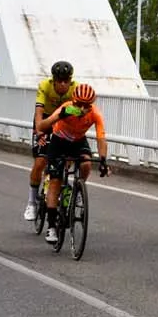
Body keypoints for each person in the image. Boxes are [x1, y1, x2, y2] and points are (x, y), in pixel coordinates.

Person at [35, 83, 108, 244]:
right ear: (73, 101)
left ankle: (78, 190)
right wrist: (59, 116)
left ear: (91, 105)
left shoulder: (95, 114)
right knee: (55, 181)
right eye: (79, 104)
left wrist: (103, 160)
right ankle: (51, 226)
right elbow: (41, 126)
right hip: (59, 141)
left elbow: (101, 138)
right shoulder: (66, 108)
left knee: (86, 163)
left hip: (77, 141)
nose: (82, 108)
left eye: (86, 105)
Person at [24, 60, 76, 222]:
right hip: (46, 120)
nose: (62, 84)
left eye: (66, 80)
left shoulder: (75, 89)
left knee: (67, 158)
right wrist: (39, 132)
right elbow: (39, 112)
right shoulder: (45, 86)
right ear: (53, 80)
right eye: (59, 80)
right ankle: (31, 202)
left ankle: (60, 184)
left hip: (64, 121)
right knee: (40, 161)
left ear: (70, 80)